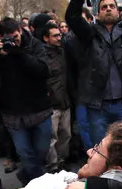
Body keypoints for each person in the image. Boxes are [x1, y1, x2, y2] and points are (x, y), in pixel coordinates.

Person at [65, 0, 122, 146]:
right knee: (100, 148)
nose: (108, 9)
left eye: (112, 6)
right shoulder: (89, 34)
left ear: (118, 11)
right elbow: (72, 17)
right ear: (97, 13)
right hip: (98, 105)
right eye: (104, 7)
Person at [0, 17, 52, 185]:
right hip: (13, 114)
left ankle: (27, 177)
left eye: (14, 37)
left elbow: (43, 70)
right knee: (25, 154)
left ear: (20, 31)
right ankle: (36, 187)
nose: (12, 41)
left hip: (39, 110)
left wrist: (17, 53)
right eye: (7, 38)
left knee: (41, 152)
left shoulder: (34, 45)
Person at [42, 22, 71, 171]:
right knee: (52, 137)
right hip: (51, 103)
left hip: (65, 100)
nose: (59, 38)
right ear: (46, 38)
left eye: (60, 34)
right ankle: (53, 165)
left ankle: (61, 161)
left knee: (66, 134)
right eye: (55, 36)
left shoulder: (63, 52)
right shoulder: (42, 55)